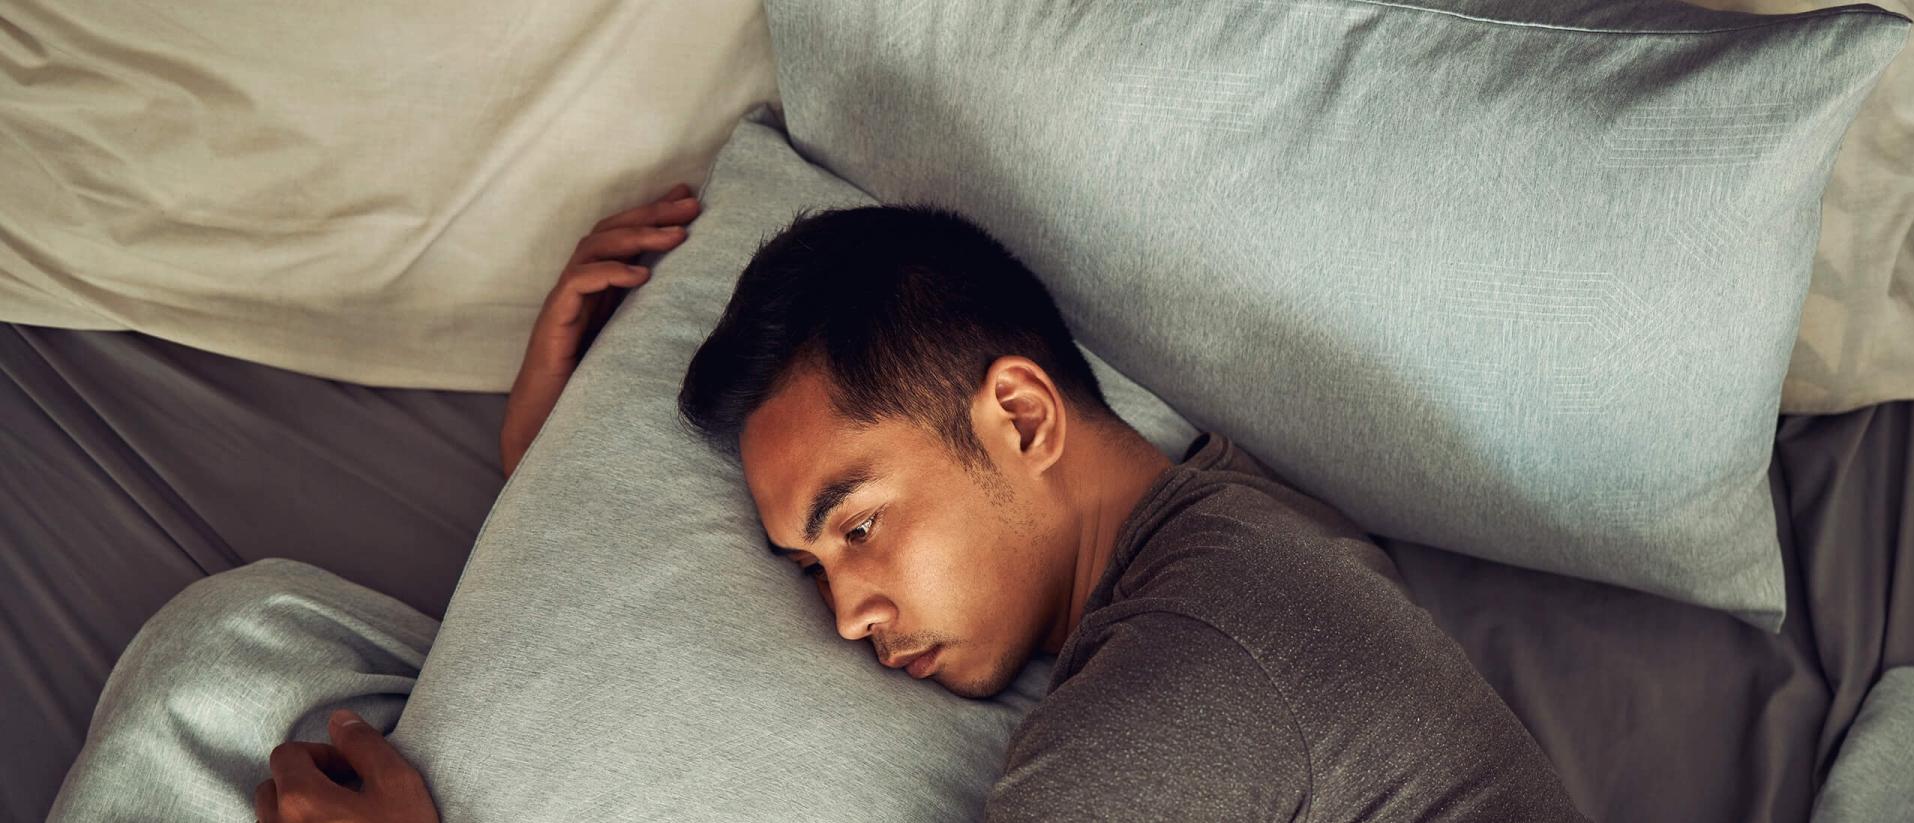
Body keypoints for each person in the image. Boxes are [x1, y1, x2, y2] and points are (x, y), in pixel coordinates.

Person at [135, 184, 1592, 822]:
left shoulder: (1189, 681)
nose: (844, 614)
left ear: (1020, 415)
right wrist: (562, 484)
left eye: (856, 523)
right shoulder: (1246, 553)